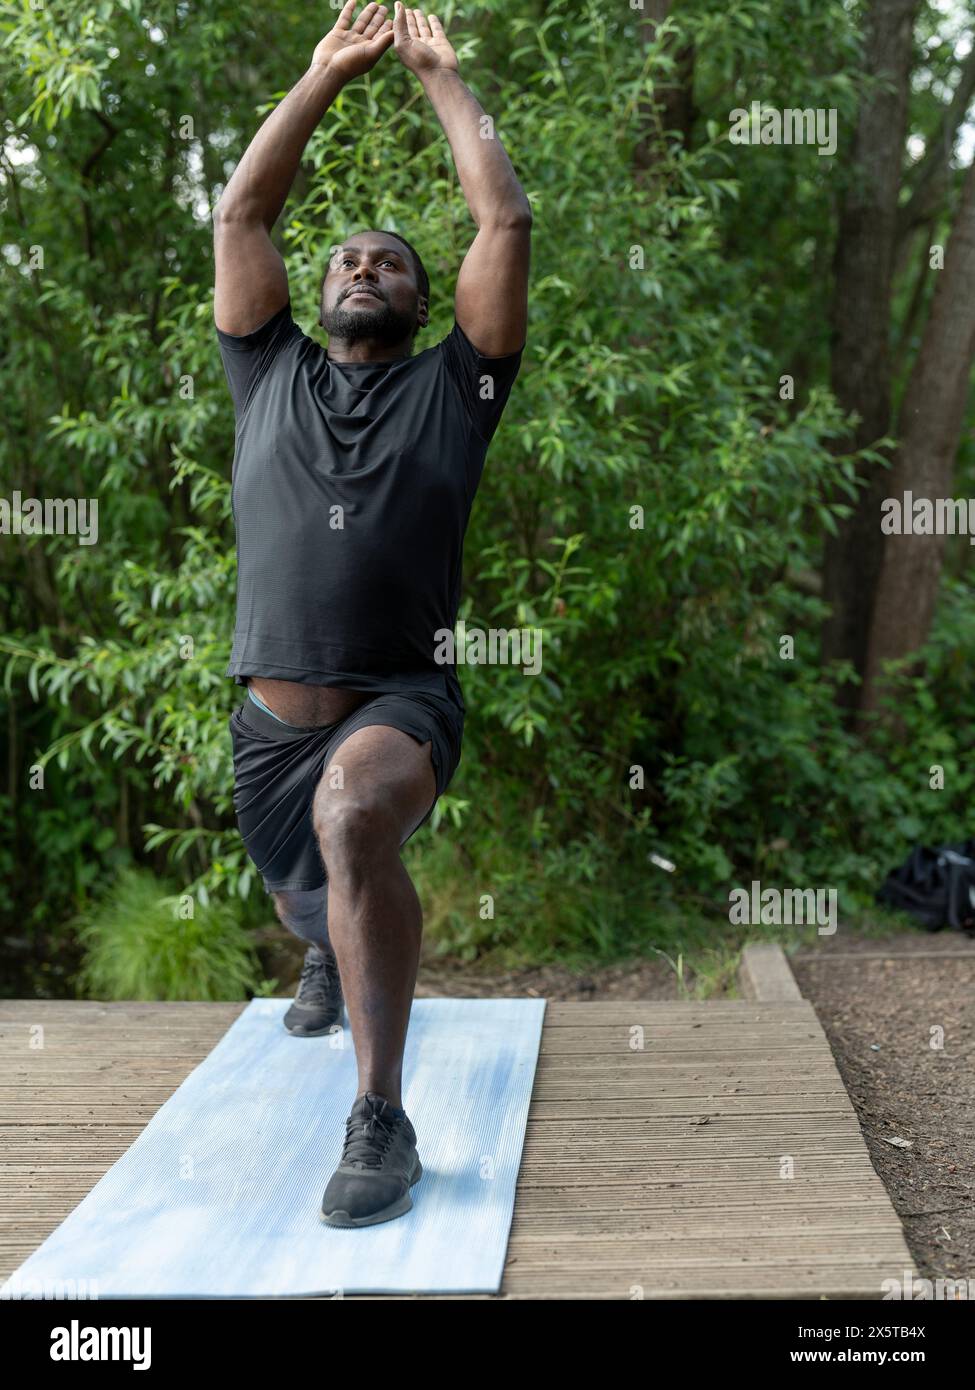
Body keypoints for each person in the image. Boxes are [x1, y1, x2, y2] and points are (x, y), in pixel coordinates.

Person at [213, 2, 531, 1227]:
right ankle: (320, 946)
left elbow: (501, 219)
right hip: (268, 728)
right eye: (347, 256)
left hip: (402, 701)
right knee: (308, 894)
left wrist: (444, 82)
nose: (361, 267)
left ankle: (380, 1123)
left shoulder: (460, 386)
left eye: (388, 259)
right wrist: (319, 79)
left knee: (356, 819)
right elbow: (244, 214)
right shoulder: (266, 368)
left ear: (417, 297)